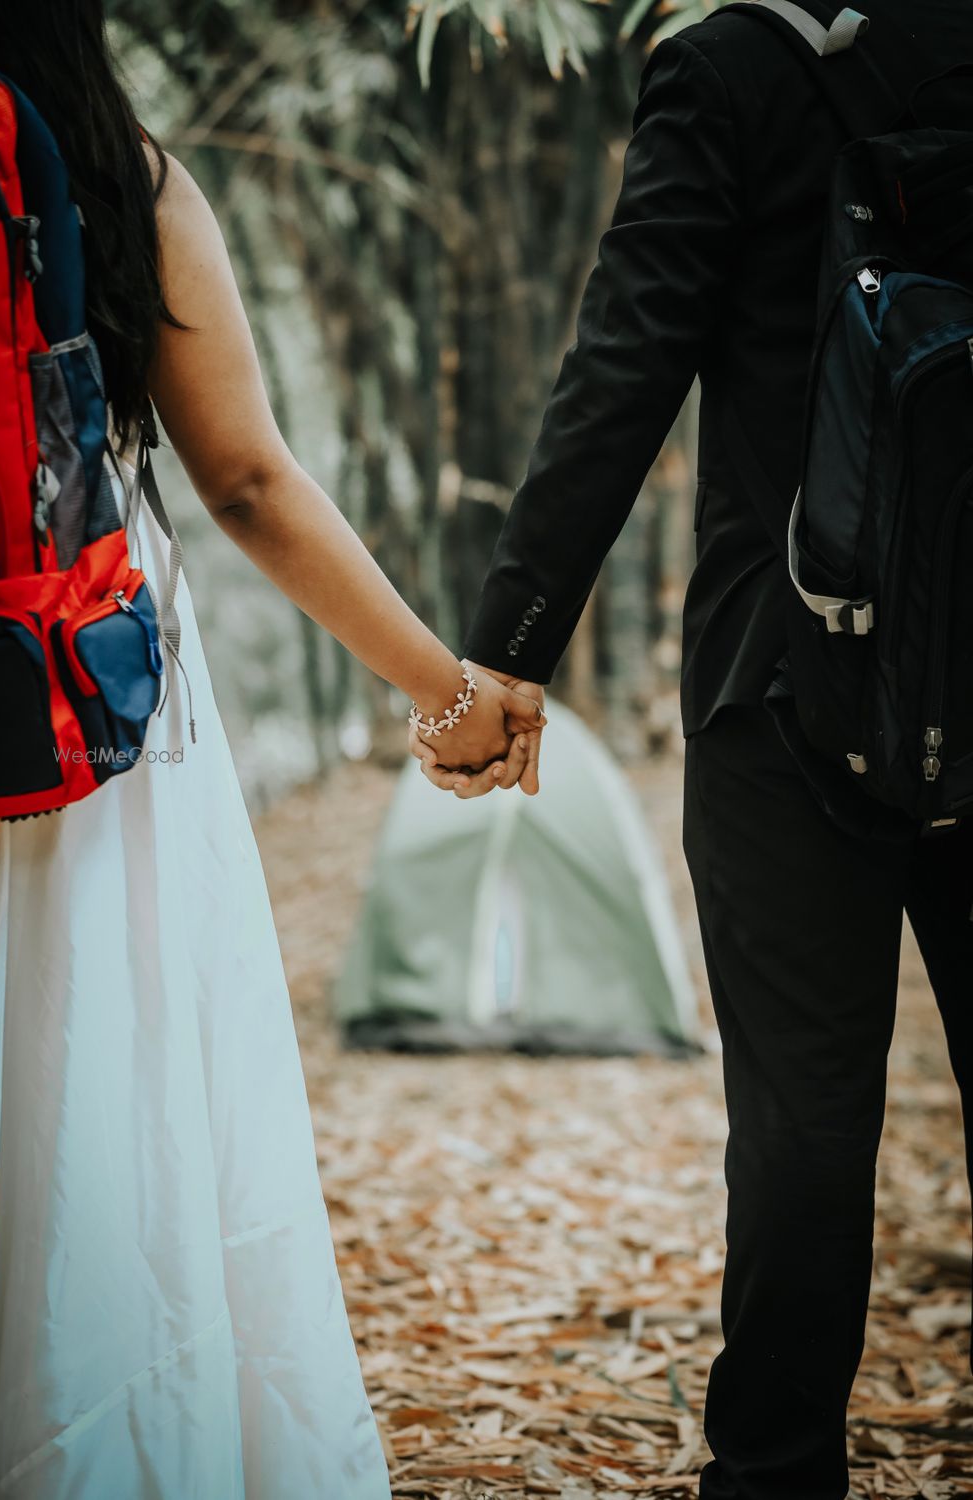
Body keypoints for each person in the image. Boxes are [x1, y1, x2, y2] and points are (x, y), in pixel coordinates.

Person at [0, 4, 545, 1496]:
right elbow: (245, 478)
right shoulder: (117, 176)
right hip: (66, 696)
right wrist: (453, 696)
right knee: (76, 1083)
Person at [413, 2, 973, 1497]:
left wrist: (507, 655)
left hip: (790, 687)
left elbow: (629, 362)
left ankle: (775, 1475)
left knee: (800, 1130)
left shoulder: (735, 68)